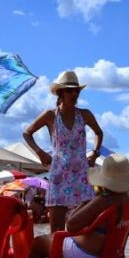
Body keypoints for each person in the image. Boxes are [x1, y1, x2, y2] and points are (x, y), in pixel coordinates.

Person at [27, 154, 129, 258]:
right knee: (51, 239)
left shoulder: (103, 200)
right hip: (113, 253)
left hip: (88, 253)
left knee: (39, 242)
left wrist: (84, 203)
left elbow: (71, 225)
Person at [23, 70, 103, 233]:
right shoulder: (50, 115)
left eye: (76, 90)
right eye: (69, 90)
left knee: (85, 229)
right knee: (56, 231)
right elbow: (27, 133)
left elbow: (99, 133)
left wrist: (94, 153)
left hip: (81, 175)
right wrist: (40, 152)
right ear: (60, 92)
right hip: (59, 176)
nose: (74, 94)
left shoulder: (85, 114)